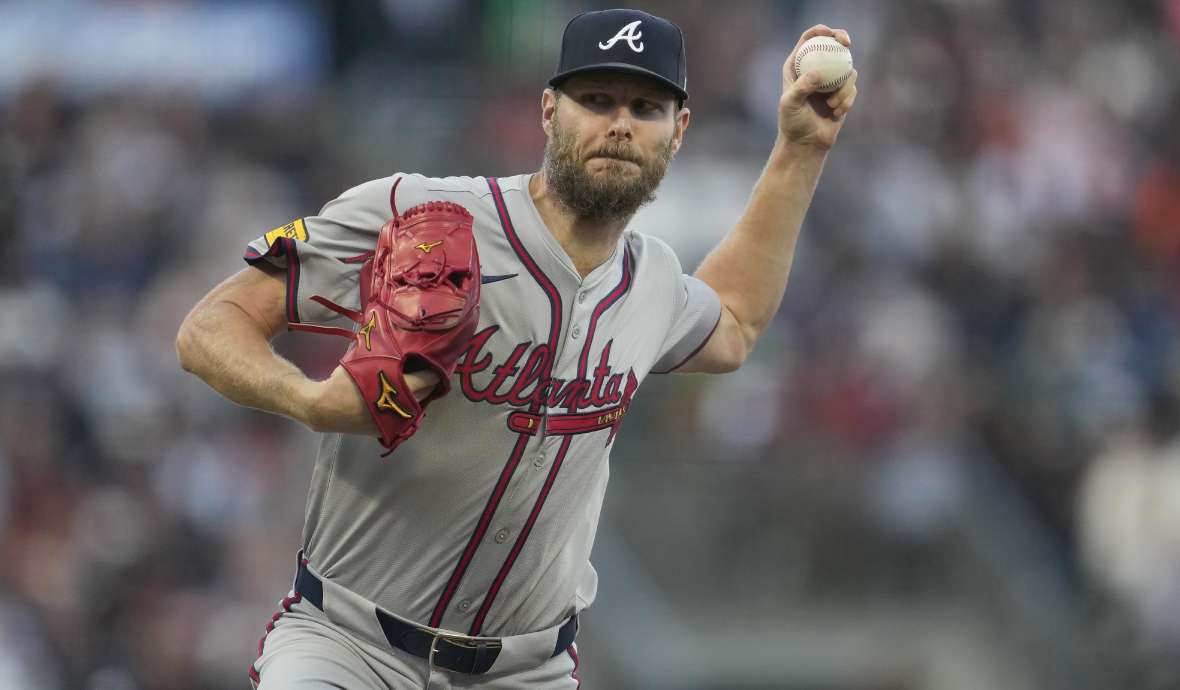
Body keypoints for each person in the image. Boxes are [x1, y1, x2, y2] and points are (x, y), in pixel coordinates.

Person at [176, 8, 857, 690]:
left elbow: (733, 321)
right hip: (350, 647)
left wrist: (801, 150)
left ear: (678, 132)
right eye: (595, 100)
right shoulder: (422, 214)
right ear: (548, 111)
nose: (619, 124)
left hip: (527, 671)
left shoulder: (650, 282)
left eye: (646, 107)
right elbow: (210, 326)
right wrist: (310, 400)